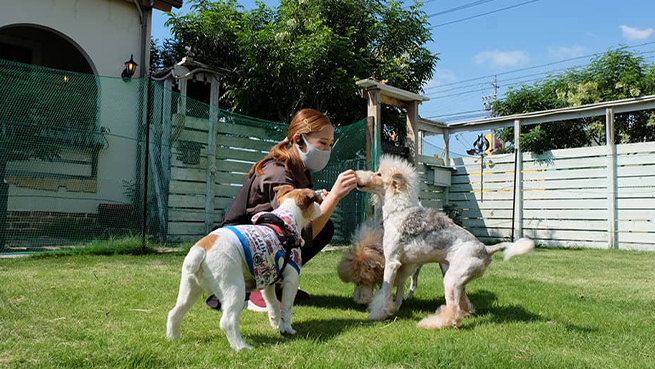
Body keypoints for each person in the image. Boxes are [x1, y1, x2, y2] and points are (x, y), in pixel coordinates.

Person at [205, 108, 358, 312]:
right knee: (292, 232)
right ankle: (257, 289)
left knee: (325, 227)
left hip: (250, 246)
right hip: (231, 252)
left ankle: (278, 283)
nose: (327, 150)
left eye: (330, 145)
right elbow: (300, 231)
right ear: (298, 140)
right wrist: (336, 196)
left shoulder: (296, 169)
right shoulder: (277, 172)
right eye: (322, 143)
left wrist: (324, 199)